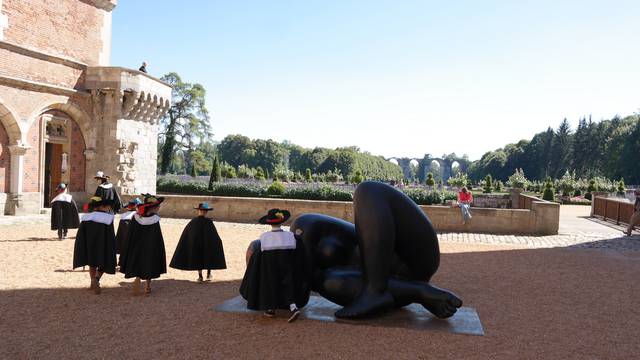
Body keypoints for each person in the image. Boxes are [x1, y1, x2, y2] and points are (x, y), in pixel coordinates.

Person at [288, 181, 462, 319]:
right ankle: (412, 291)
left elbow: (299, 296)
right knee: (328, 283)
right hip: (398, 285)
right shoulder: (319, 279)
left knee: (369, 191)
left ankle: (375, 289)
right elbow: (300, 298)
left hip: (410, 254)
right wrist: (419, 291)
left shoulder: (307, 227)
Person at [240, 209, 303, 323]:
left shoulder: (264, 237)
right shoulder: (290, 236)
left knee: (270, 285)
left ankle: (271, 309)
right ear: (282, 221)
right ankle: (293, 307)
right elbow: (297, 250)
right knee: (287, 284)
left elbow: (261, 253)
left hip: (270, 266)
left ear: (269, 223)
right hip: (286, 264)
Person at [119, 194, 166, 296]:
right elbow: (157, 236)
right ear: (153, 208)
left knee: (137, 261)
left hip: (137, 245)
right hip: (150, 246)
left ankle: (138, 277)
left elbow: (131, 234)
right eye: (157, 206)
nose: (159, 208)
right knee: (149, 264)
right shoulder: (154, 220)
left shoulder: (136, 217)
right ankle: (147, 286)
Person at [170, 202, 227, 282]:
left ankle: (204, 275)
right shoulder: (205, 222)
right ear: (203, 211)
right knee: (205, 257)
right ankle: (205, 275)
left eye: (203, 211)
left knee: (201, 257)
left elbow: (188, 234)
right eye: (203, 210)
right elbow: (213, 235)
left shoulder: (196, 221)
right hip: (203, 244)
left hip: (199, 244)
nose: (203, 212)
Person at [73, 196, 117, 295]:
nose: (108, 208)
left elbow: (81, 234)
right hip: (103, 244)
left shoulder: (86, 217)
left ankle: (92, 282)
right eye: (107, 206)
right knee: (104, 263)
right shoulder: (108, 218)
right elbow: (110, 234)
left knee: (92, 263)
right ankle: (96, 279)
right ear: (101, 207)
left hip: (90, 245)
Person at [115, 198, 142, 264]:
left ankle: (122, 261)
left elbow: (120, 234)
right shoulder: (138, 215)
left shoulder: (123, 215)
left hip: (124, 238)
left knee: (124, 244)